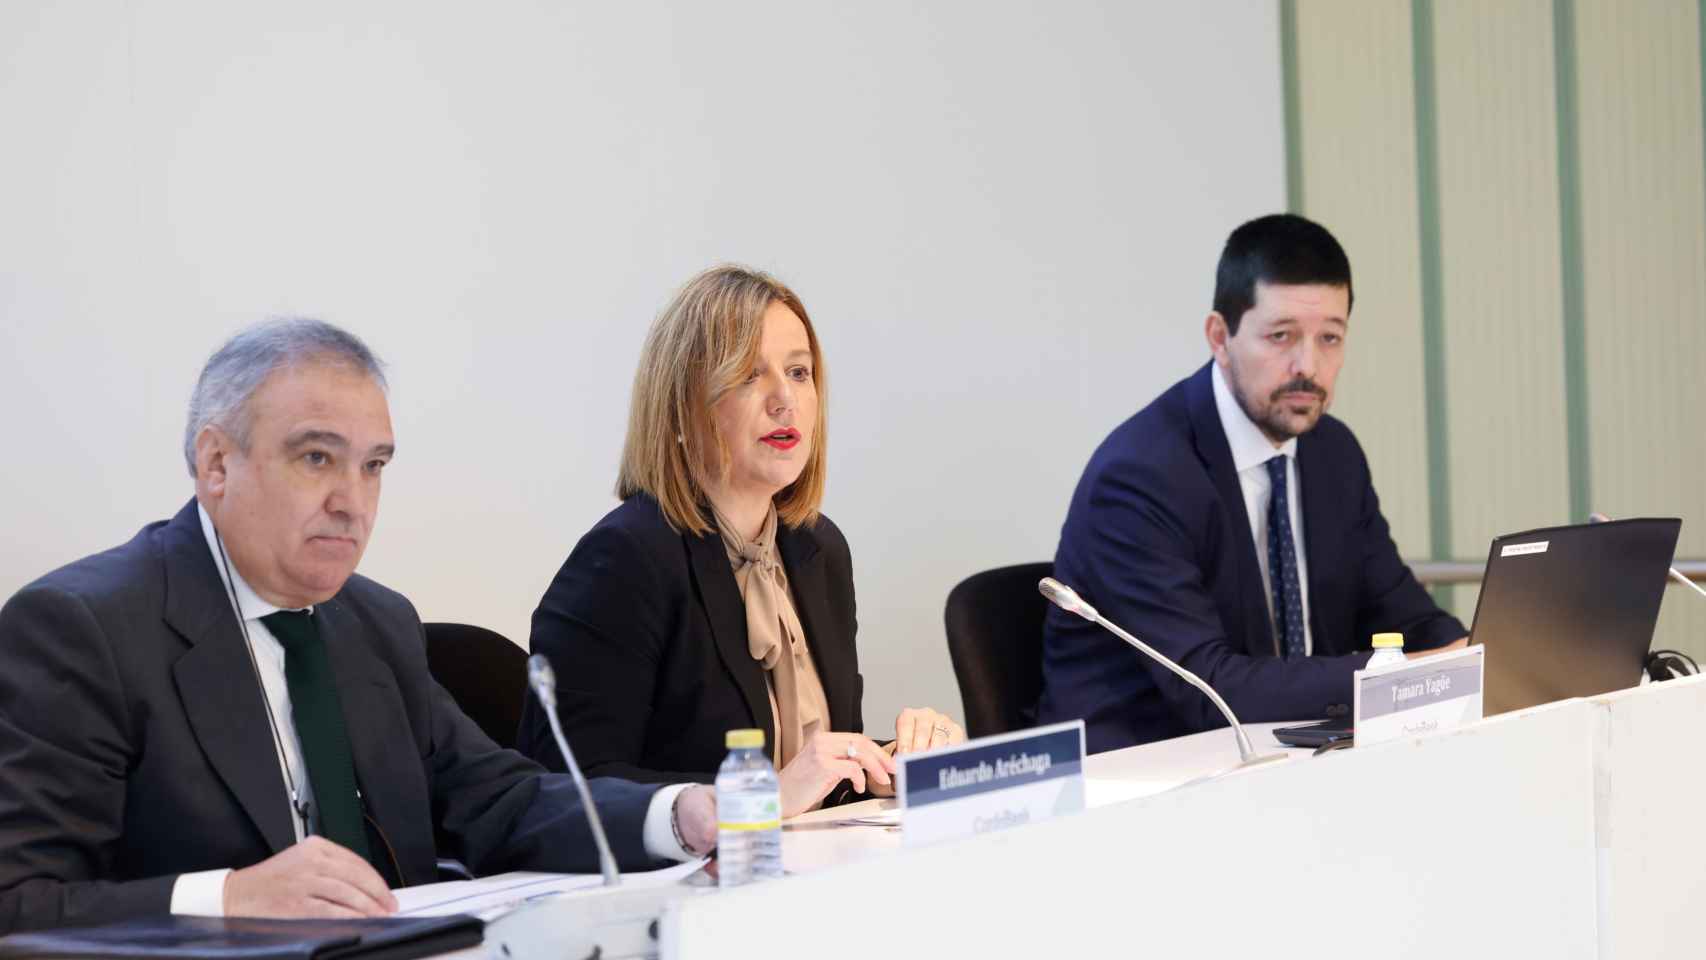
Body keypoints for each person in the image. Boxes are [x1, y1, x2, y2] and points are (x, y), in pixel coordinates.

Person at [0, 319, 717, 935]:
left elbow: (499, 800)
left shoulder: (375, 622)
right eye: (317, 458)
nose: (354, 501)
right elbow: (19, 901)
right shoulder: (83, 629)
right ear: (216, 463)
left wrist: (678, 816)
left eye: (373, 466)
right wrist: (227, 897)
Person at [518, 265, 966, 817]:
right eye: (750, 376)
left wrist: (889, 763)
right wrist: (760, 799)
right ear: (682, 406)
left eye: (800, 373)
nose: (785, 401)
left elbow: (807, 775)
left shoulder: (818, 550)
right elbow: (571, 790)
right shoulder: (624, 561)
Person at [1037, 214, 1468, 753]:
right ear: (1221, 337)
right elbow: (1210, 690)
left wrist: (1473, 656)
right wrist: (1407, 677)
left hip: (1294, 760)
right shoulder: (1140, 476)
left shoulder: (1333, 454)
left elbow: (1404, 617)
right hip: (1149, 777)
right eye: (1281, 336)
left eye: (1330, 338)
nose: (1308, 366)